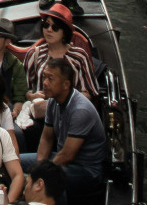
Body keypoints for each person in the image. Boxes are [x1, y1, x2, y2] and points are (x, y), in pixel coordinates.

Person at [19, 59, 108, 204]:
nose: (45, 83)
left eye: (50, 79)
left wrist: (39, 173)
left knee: (50, 181)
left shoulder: (81, 110)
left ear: (66, 84)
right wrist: (39, 166)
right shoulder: (53, 101)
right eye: (44, 77)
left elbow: (67, 155)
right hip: (61, 159)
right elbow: (47, 138)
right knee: (14, 161)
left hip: (85, 170)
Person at [23, 3, 98, 116]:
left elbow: (88, 92)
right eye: (46, 25)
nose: (49, 30)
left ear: (64, 32)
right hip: (39, 113)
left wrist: (65, 103)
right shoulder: (34, 54)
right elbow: (24, 89)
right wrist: (32, 96)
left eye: (55, 27)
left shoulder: (79, 57)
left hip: (69, 113)